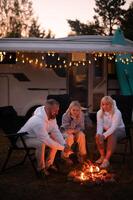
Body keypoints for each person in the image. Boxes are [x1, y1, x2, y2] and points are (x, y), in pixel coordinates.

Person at [17, 99, 69, 176]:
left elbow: (56, 132)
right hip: (22, 139)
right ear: (48, 109)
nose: (57, 113)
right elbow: (46, 140)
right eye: (55, 110)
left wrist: (64, 144)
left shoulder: (52, 117)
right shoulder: (38, 121)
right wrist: (63, 148)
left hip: (36, 137)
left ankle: (49, 164)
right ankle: (41, 169)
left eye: (58, 110)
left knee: (54, 140)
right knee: (41, 143)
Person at [95, 96, 126, 169]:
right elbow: (99, 126)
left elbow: (113, 128)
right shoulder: (99, 112)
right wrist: (99, 134)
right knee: (97, 135)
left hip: (119, 130)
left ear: (111, 104)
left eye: (107, 104)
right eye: (103, 104)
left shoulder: (117, 112)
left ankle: (106, 160)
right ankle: (102, 156)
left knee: (112, 135)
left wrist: (104, 136)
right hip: (107, 130)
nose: (105, 106)